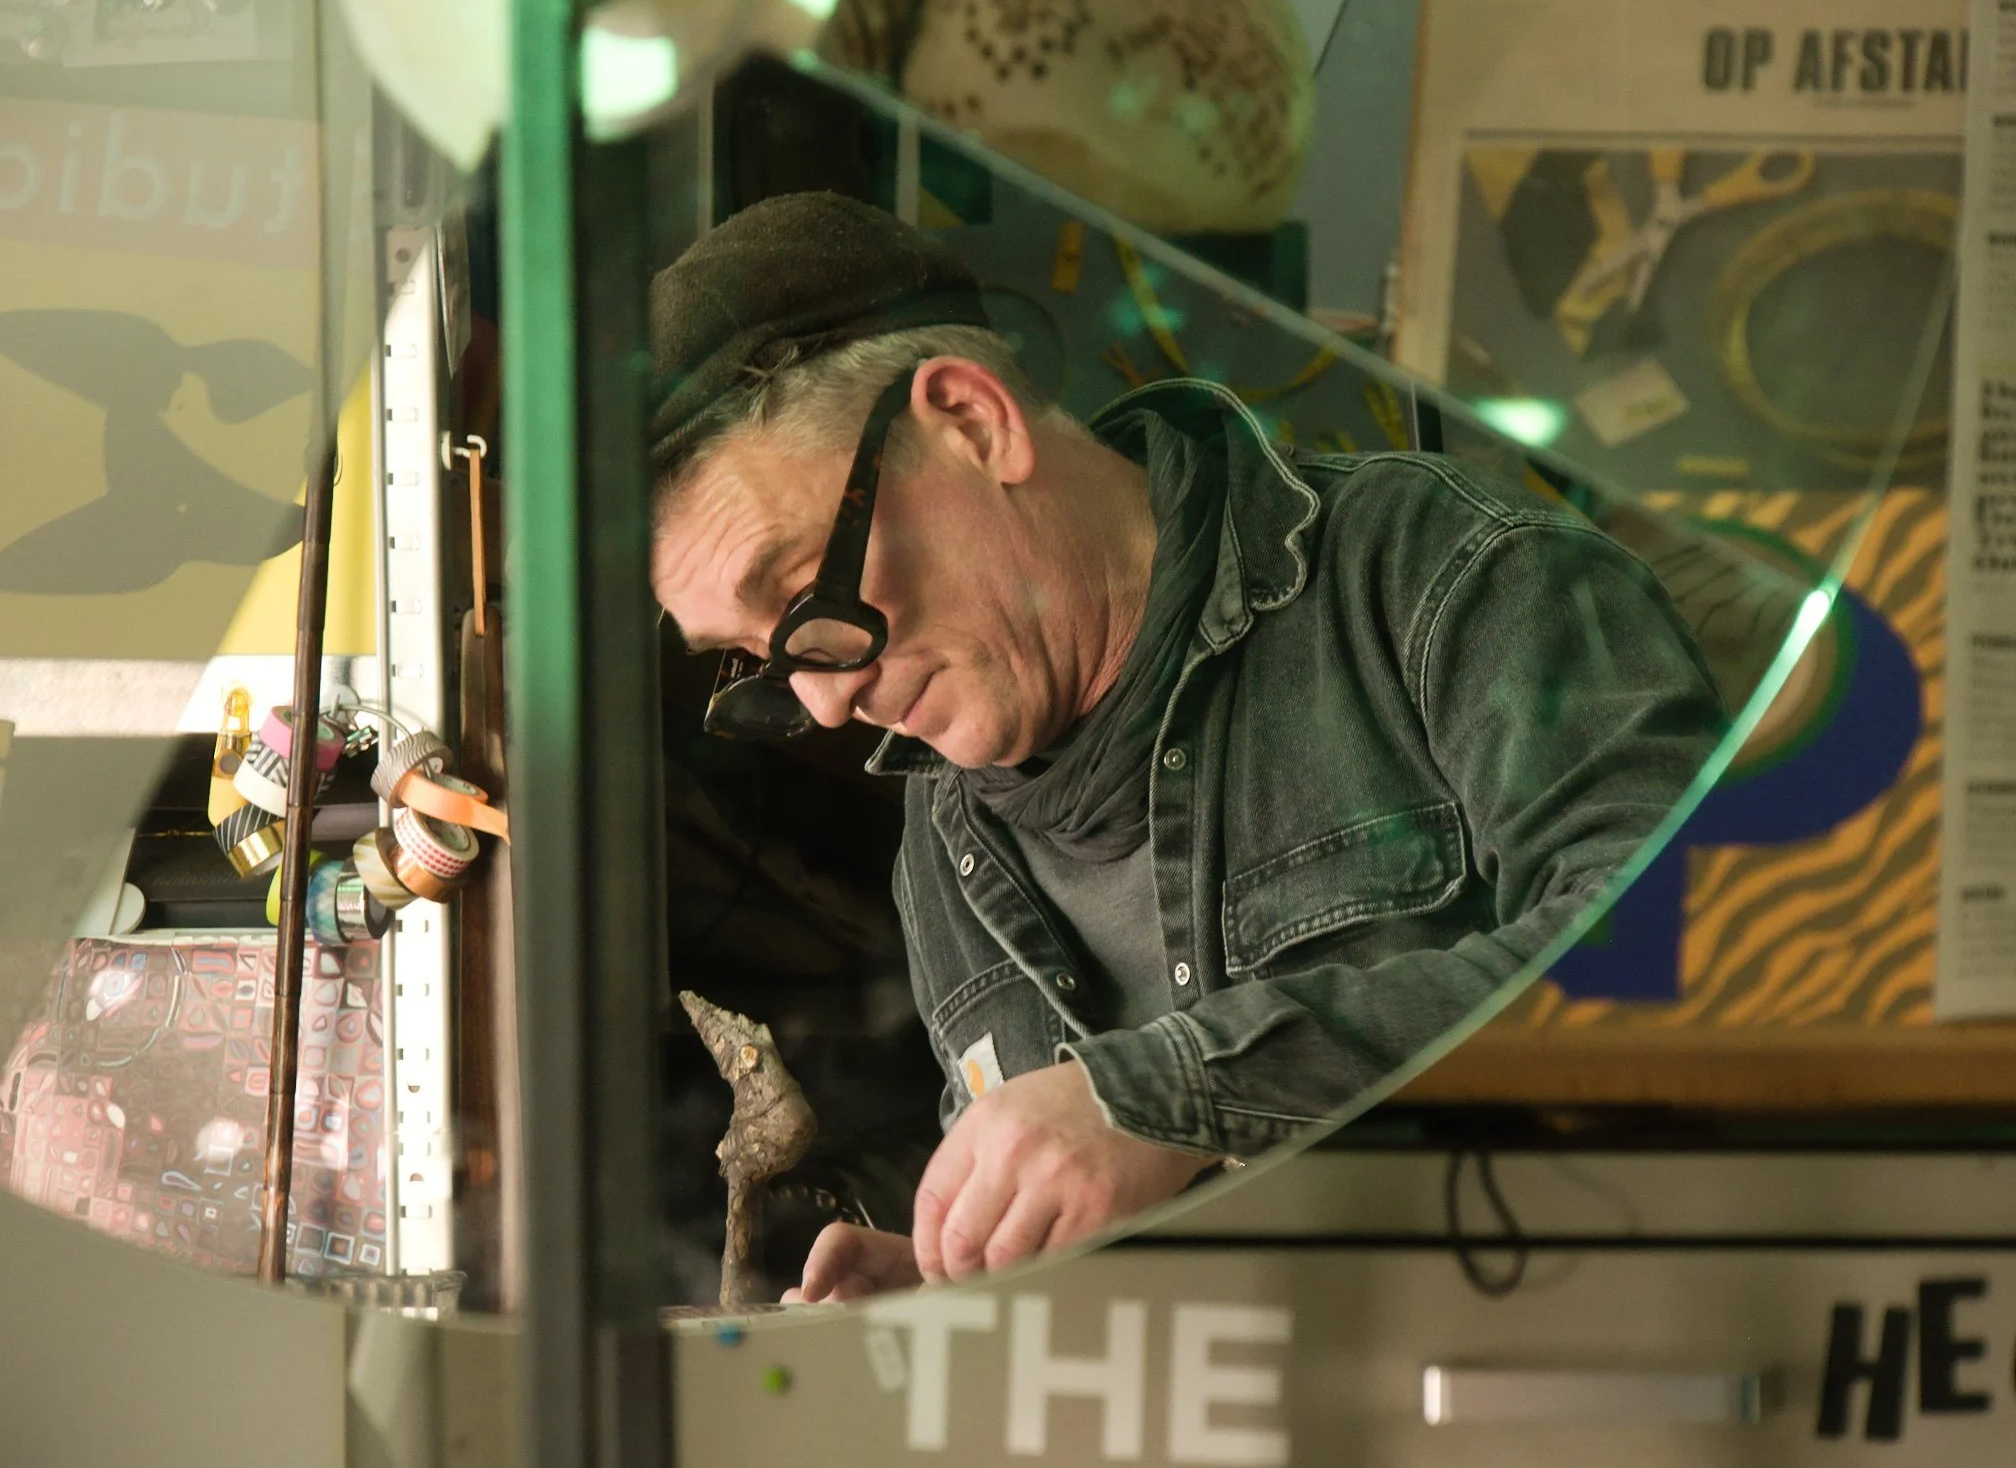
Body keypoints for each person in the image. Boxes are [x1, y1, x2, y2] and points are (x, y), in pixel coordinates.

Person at [648, 192, 1726, 1303]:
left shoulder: (1441, 583)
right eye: (757, 664)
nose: (825, 702)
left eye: (805, 601)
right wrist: (961, 1292)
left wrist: (1171, 1090)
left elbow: (1697, 962)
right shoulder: (942, 838)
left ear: (972, 423)